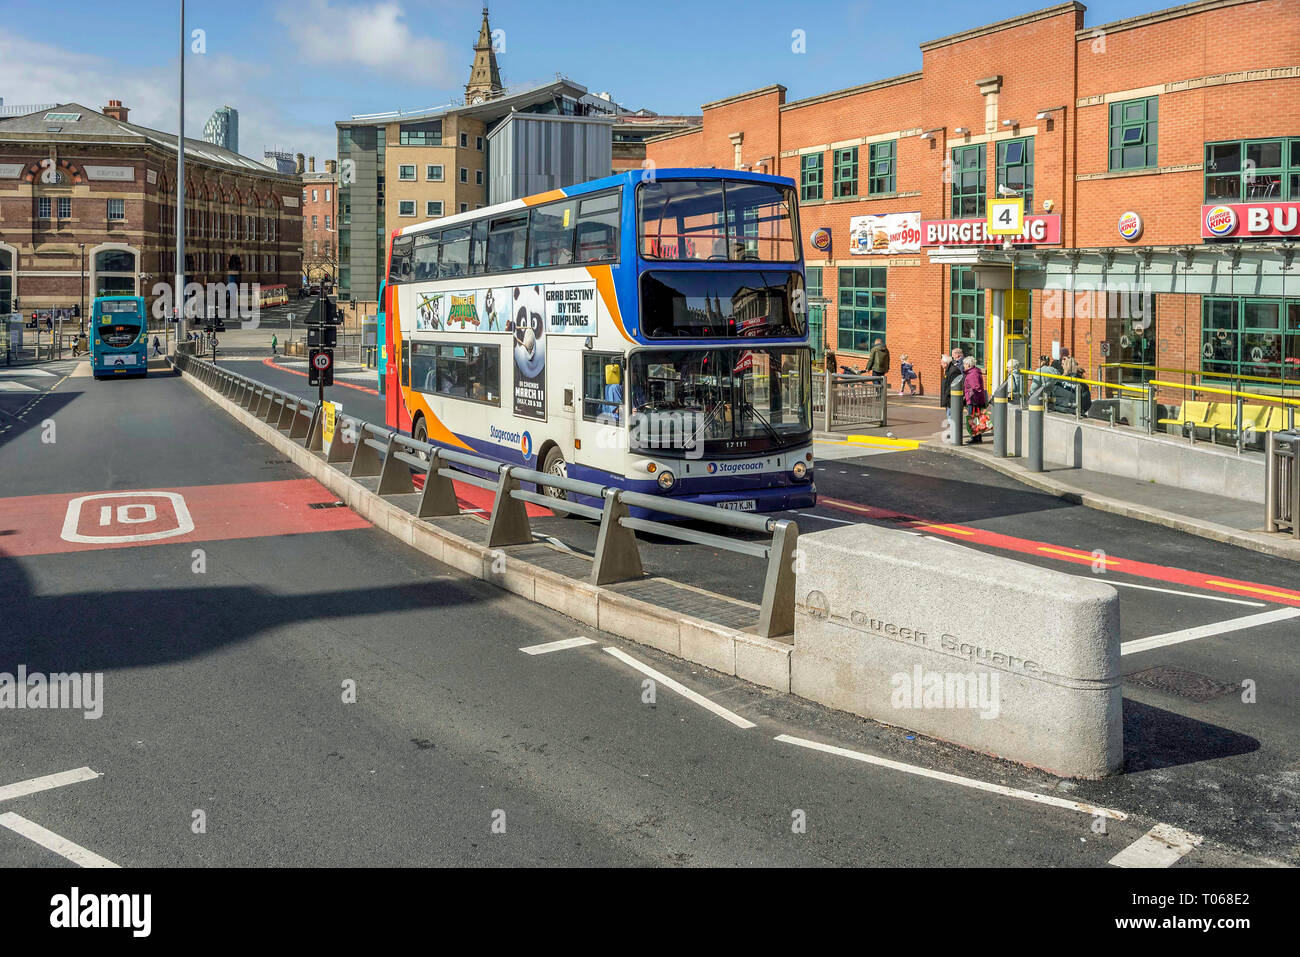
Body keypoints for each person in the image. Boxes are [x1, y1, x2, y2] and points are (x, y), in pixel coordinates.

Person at [963, 356, 991, 442]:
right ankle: (978, 437)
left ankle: (975, 438)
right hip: (976, 399)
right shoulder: (974, 372)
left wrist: (970, 397)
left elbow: (976, 387)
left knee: (973, 419)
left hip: (974, 400)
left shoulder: (972, 374)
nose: (964, 365)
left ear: (968, 364)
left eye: (964, 364)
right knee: (977, 419)